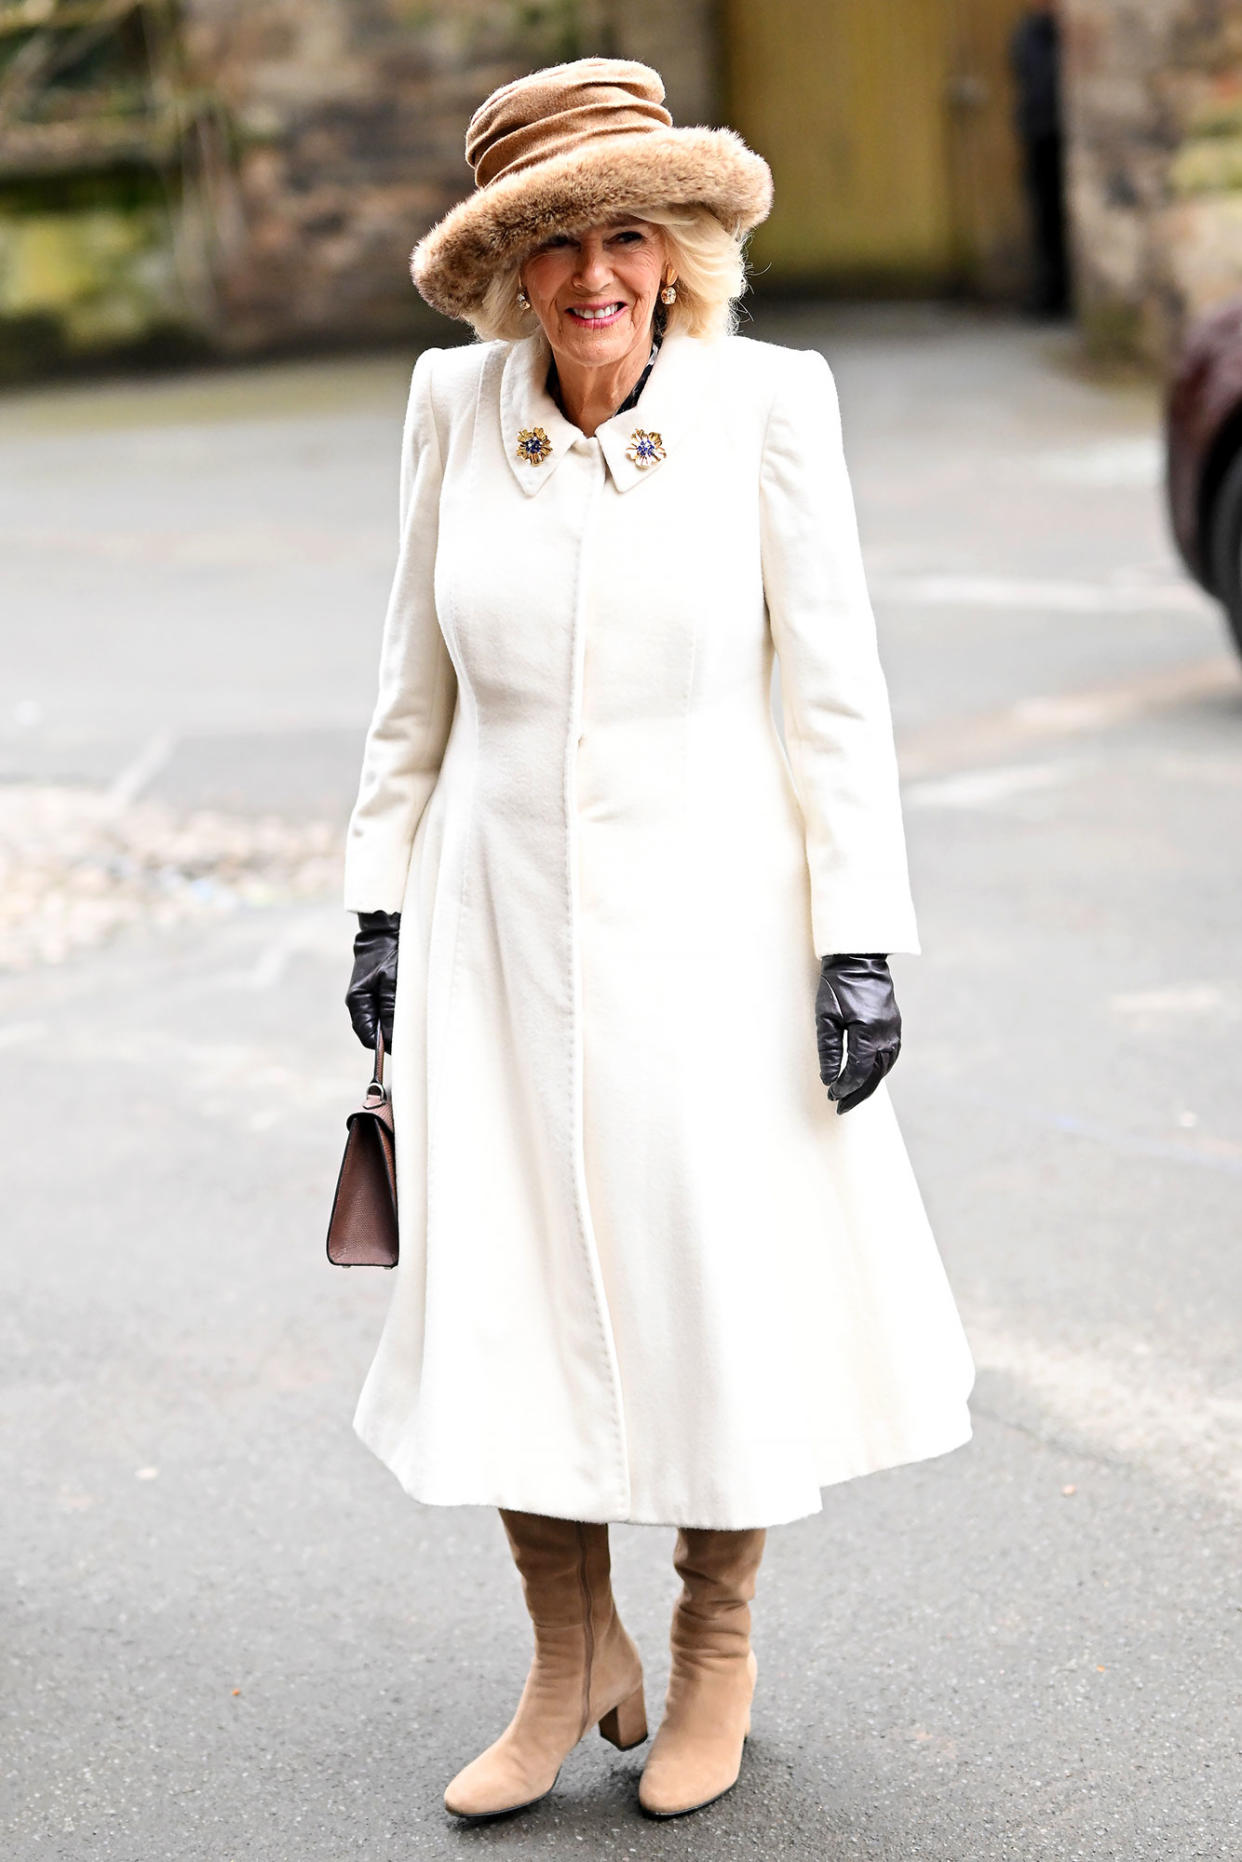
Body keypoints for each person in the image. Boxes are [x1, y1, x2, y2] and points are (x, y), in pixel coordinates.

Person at [342, 57, 975, 1823]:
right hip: (493, 925)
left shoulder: (774, 403)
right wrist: (376, 910)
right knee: (509, 1287)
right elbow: (409, 697)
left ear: (683, 250)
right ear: (505, 273)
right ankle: (569, 1654)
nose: (593, 273)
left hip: (715, 922)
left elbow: (834, 695)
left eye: (627, 232)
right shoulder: (448, 407)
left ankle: (711, 1643)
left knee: (711, 1279)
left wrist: (858, 936)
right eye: (552, 245)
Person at [1011, 0, 1070, 316]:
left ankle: (1064, 293)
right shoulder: (1029, 33)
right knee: (1045, 217)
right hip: (1041, 133)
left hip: (1061, 133)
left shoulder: (1061, 32)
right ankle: (1050, 293)